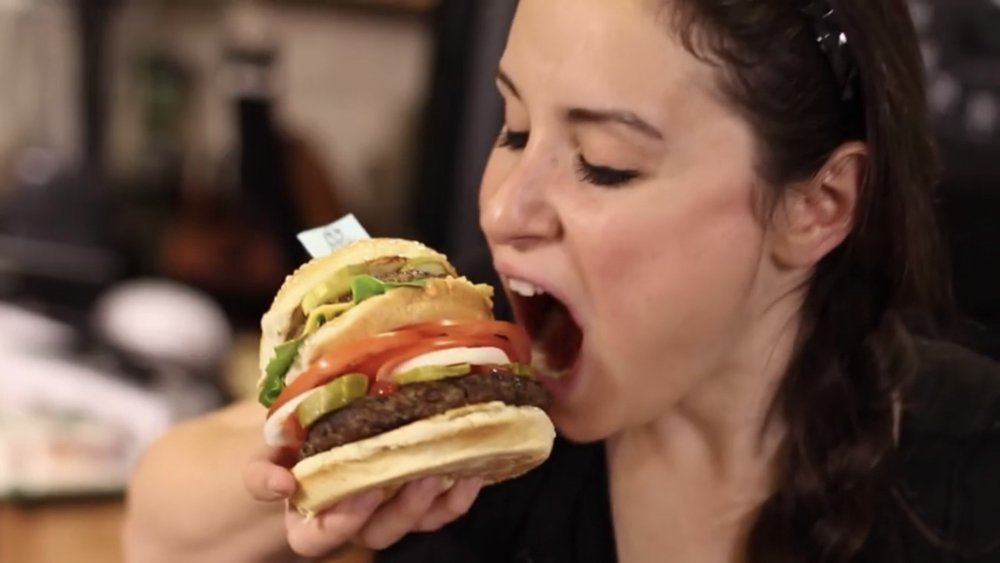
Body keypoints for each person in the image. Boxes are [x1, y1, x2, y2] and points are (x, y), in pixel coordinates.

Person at [122, 0, 1000, 562]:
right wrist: (308, 466)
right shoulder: (478, 407)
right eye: (511, 129)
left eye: (603, 163)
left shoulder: (971, 472)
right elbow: (157, 524)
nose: (505, 211)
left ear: (819, 204)